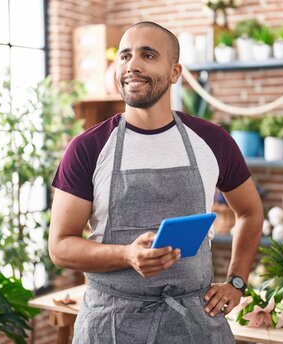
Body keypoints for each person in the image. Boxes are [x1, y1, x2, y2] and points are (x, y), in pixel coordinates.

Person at [49, 21, 263, 344]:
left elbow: (250, 211)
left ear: (175, 72)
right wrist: (126, 255)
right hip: (111, 326)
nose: (132, 65)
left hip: (195, 324)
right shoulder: (88, 148)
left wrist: (236, 282)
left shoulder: (212, 140)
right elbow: (60, 246)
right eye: (124, 56)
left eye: (147, 55)